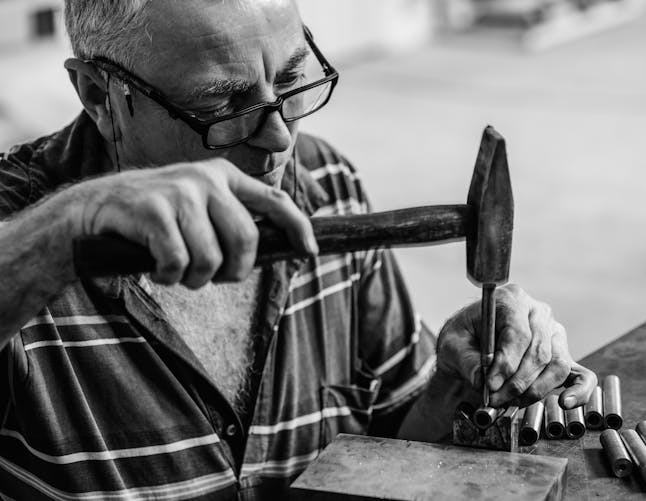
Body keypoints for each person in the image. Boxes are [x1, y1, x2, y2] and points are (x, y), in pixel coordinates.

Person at [0, 1, 596, 499]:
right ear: (100, 96)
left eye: (289, 80)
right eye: (223, 108)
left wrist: (454, 382)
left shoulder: (327, 184)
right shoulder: (20, 228)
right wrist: (63, 232)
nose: (280, 137)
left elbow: (398, 447)